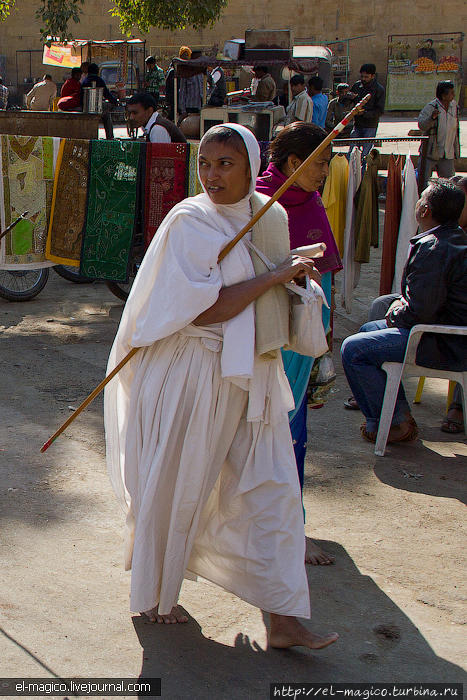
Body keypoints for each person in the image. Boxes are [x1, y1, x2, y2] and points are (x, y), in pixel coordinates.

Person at [104, 122, 339, 651]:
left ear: (251, 167)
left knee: (273, 489)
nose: (212, 175)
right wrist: (276, 275)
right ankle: (157, 593)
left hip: (252, 373)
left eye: (226, 163)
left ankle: (282, 619)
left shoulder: (271, 215)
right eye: (205, 163)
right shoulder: (190, 221)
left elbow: (271, 301)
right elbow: (208, 310)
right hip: (190, 370)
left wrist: (300, 283)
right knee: (177, 481)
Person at [256, 122, 342, 565]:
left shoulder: (309, 202)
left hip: (303, 340)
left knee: (293, 434)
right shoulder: (258, 202)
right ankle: (272, 530)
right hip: (268, 335)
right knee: (267, 431)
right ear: (294, 162)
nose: (326, 171)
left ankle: (291, 527)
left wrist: (324, 341)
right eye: (322, 163)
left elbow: (323, 270)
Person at [341, 179, 467, 444]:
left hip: (442, 342)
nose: (418, 202)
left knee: (354, 350)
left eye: (421, 198)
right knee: (367, 330)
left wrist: (395, 313)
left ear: (424, 211)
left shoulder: (435, 247)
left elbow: (420, 310)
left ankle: (394, 423)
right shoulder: (449, 238)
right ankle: (396, 415)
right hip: (443, 334)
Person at [441, 175, 467, 434]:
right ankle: (383, 400)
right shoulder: (440, 229)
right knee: (381, 306)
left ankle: (458, 405)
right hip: (436, 305)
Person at [417, 81, 460, 190]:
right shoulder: (431, 107)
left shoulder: (454, 106)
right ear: (443, 95)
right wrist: (432, 118)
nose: (453, 95)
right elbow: (422, 125)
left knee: (450, 186)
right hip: (431, 152)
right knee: (424, 183)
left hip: (448, 153)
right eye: (451, 93)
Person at [348, 64, 385, 158]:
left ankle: (363, 172)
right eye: (362, 76)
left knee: (365, 155)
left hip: (370, 126)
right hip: (357, 124)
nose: (363, 79)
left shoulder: (379, 89)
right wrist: (349, 97)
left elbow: (379, 111)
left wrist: (364, 113)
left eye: (366, 77)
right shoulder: (357, 86)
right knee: (352, 153)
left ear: (372, 76)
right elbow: (349, 101)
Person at [81, 63, 118, 139]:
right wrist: (115, 101)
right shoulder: (99, 80)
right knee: (107, 115)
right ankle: (110, 136)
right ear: (97, 72)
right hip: (96, 107)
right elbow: (107, 94)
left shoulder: (85, 81)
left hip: (85, 107)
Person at [177, 46, 203, 119]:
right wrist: (183, 110)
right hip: (190, 107)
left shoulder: (203, 73)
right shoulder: (186, 72)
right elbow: (182, 92)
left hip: (201, 106)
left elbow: (212, 85)